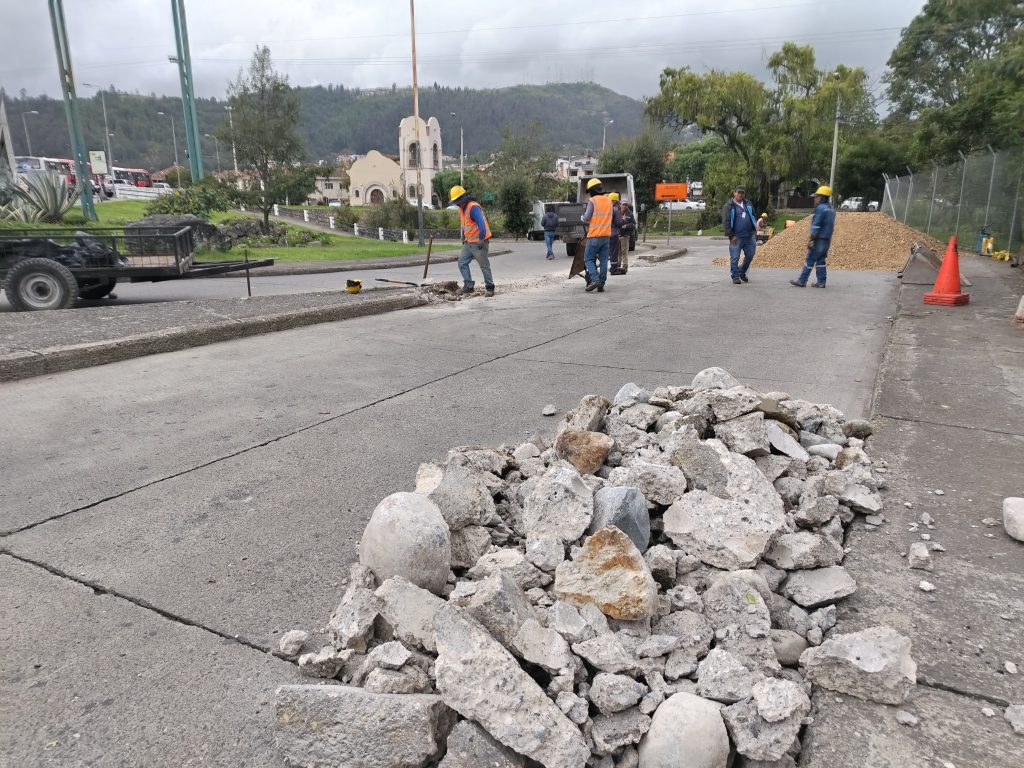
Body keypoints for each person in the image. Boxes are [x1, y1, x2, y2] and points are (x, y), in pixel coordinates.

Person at [450, 184, 495, 297]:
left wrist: (481, 239)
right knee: (462, 262)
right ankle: (469, 286)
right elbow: (468, 225)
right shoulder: (463, 208)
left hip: (479, 242)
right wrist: (465, 238)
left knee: (484, 265)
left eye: (457, 201)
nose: (457, 204)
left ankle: (490, 288)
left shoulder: (473, 207)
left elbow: (481, 223)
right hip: (469, 243)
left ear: (463, 199)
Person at [790, 185, 836, 288]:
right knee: (821, 260)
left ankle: (802, 280)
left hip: (819, 238)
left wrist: (812, 239)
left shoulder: (820, 208)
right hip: (827, 239)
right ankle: (821, 282)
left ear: (822, 197)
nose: (815, 199)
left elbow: (816, 225)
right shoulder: (831, 209)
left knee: (810, 258)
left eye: (817, 196)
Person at [581, 178, 622, 293]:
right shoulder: (609, 201)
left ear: (592, 191)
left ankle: (595, 279)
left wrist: (582, 218)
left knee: (588, 258)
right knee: (604, 260)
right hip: (606, 237)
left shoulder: (593, 201)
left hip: (594, 235)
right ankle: (601, 284)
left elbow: (587, 217)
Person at [721, 185, 757, 284]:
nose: (740, 194)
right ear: (734, 193)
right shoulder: (728, 206)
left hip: (749, 236)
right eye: (738, 192)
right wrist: (731, 236)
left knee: (750, 255)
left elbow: (753, 215)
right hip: (736, 237)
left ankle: (742, 272)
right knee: (735, 258)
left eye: (742, 193)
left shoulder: (748, 203)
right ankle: (735, 276)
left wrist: (755, 228)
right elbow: (726, 222)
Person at [608, 192, 623, 274]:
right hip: (613, 233)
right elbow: (618, 222)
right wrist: (622, 221)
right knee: (614, 252)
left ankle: (612, 267)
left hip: (605, 233)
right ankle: (614, 269)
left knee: (609, 251)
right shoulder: (616, 209)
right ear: (616, 201)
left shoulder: (606, 208)